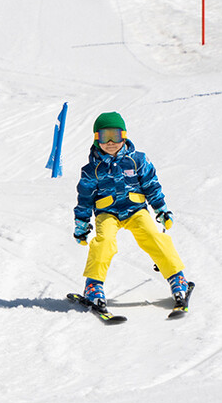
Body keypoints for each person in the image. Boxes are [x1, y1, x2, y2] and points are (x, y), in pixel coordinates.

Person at [72, 111, 193, 313]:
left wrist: (161, 210)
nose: (110, 142)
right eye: (104, 136)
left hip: (136, 210)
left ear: (124, 136)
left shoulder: (138, 160)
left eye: (116, 136)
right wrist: (82, 225)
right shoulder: (91, 169)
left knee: (153, 236)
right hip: (107, 213)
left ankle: (177, 277)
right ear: (96, 139)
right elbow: (84, 199)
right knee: (104, 242)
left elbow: (151, 186)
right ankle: (93, 285)